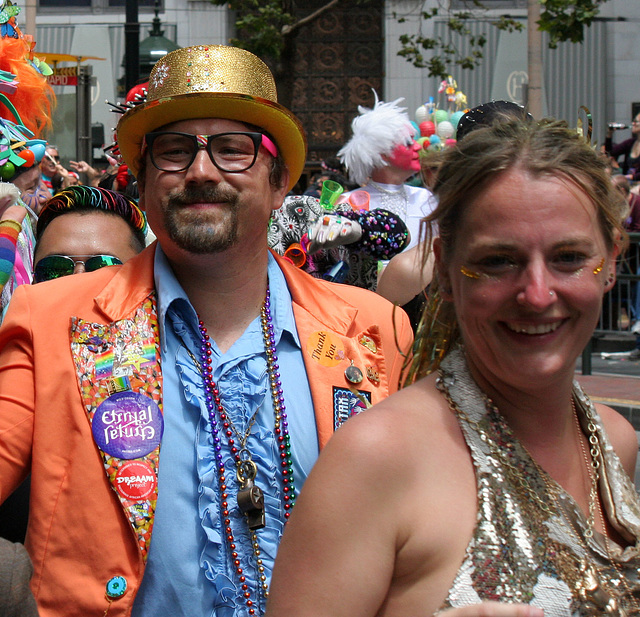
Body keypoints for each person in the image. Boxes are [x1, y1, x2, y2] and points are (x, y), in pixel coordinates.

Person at [0, 44, 413, 617]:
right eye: (173, 151)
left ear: (278, 180)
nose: (200, 171)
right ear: (142, 185)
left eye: (232, 150)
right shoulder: (48, 319)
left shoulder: (375, 329)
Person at [266, 118, 640, 617]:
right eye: (498, 261)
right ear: (443, 268)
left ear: (612, 260)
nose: (537, 294)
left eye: (569, 257)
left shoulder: (615, 440)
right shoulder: (376, 460)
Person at [337, 92, 438, 255]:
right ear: (382, 152)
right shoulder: (349, 202)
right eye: (408, 143)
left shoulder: (426, 199)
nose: (417, 147)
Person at [605, 113, 640, 183]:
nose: (633, 123)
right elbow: (610, 152)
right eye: (633, 121)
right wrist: (609, 134)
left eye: (636, 121)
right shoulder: (631, 143)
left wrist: (632, 177)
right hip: (627, 184)